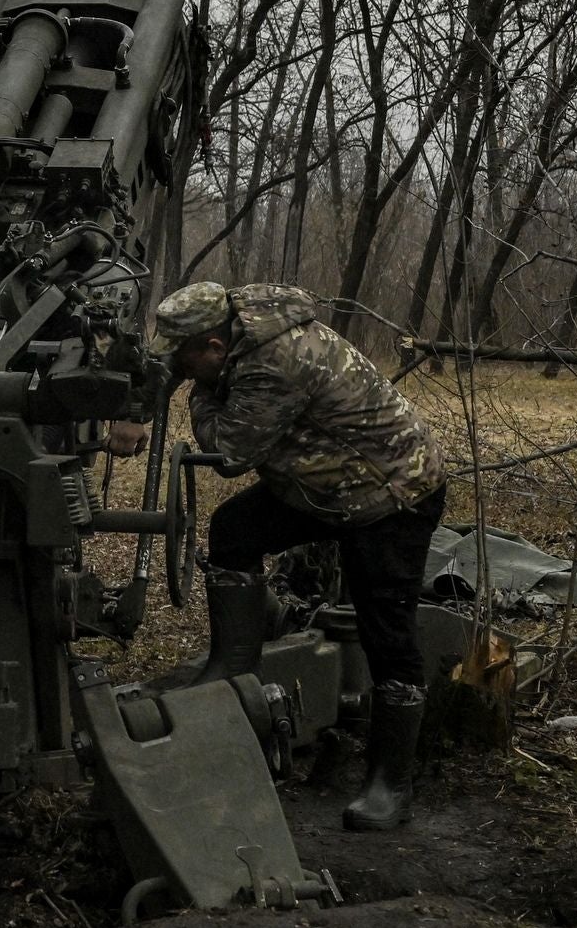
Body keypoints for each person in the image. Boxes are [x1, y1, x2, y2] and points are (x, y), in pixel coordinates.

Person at [148, 280, 447, 832]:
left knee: (387, 633)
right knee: (234, 531)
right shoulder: (240, 326)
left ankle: (390, 783)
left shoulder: (274, 364)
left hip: (391, 496)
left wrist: (200, 395)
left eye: (187, 360)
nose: (182, 370)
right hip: (325, 485)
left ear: (215, 347)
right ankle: (233, 670)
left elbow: (231, 452)